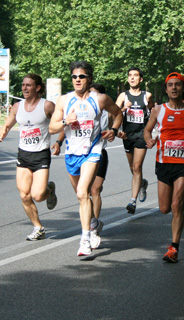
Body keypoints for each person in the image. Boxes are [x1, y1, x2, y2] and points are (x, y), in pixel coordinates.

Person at [49, 61, 123, 257]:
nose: (77, 80)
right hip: (72, 152)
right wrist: (66, 121)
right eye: (74, 77)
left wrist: (114, 130)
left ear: (89, 78)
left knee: (84, 193)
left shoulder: (100, 99)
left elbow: (118, 114)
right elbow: (52, 127)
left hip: (93, 150)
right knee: (81, 196)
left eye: (81, 77)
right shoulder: (64, 101)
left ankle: (85, 240)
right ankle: (94, 223)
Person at [144, 72, 184, 263]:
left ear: (183, 88)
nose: (174, 88)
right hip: (163, 163)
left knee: (176, 205)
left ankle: (174, 248)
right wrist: (149, 140)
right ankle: (183, 196)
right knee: (164, 208)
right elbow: (147, 130)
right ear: (166, 89)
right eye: (170, 85)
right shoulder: (158, 110)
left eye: (177, 85)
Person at [0, 74, 60, 241]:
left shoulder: (47, 106)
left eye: (28, 85)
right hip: (23, 155)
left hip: (41, 155)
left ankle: (49, 190)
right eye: (23, 85)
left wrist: (59, 142)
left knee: (38, 195)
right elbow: (8, 123)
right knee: (24, 195)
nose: (24, 88)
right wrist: (1, 134)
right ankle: (38, 228)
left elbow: (60, 124)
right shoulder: (17, 107)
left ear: (37, 88)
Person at [115, 67, 155, 215]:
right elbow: (114, 114)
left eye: (135, 75)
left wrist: (149, 131)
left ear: (141, 79)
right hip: (127, 136)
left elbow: (153, 113)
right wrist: (123, 109)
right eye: (130, 76)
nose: (132, 78)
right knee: (133, 169)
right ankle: (142, 183)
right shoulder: (123, 96)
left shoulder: (147, 96)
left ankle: (132, 201)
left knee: (137, 167)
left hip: (141, 135)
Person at [86, 83, 110, 249]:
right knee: (84, 192)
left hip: (100, 152)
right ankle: (92, 222)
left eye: (95, 94)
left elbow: (118, 119)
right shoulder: (82, 108)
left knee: (95, 189)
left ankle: (93, 228)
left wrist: (116, 131)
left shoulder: (107, 110)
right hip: (83, 155)